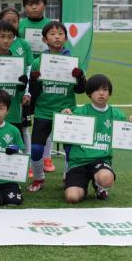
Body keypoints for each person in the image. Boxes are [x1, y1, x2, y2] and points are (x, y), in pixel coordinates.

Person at [27, 21, 86, 192]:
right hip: (43, 111)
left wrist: (80, 76)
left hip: (66, 111)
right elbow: (34, 92)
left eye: (60, 33)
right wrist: (33, 80)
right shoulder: (39, 62)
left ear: (66, 38)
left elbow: (80, 90)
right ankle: (39, 179)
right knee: (37, 148)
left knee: (70, 149)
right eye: (52, 34)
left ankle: (68, 177)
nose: (57, 36)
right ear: (45, 40)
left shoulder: (72, 61)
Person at [61, 74, 132, 203]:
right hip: (78, 161)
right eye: (97, 90)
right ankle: (82, 185)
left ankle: (100, 186)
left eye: (105, 89)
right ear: (90, 93)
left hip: (100, 160)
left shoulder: (117, 115)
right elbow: (63, 134)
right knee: (72, 197)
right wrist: (65, 118)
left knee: (106, 178)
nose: (101, 93)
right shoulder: (79, 112)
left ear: (110, 92)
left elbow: (127, 136)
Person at [0, 7, 34, 155]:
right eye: (7, 21)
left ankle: (24, 161)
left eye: (14, 22)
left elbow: (28, 68)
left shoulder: (23, 44)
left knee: (19, 131)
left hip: (14, 101)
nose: (11, 24)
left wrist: (26, 89)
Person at [19, 0, 54, 171]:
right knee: (25, 119)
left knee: (45, 118)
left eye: (37, 3)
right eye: (30, 4)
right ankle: (28, 159)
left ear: (44, 5)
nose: (34, 7)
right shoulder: (20, 25)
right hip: (26, 78)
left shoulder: (52, 25)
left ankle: (46, 157)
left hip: (46, 77)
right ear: (25, 6)